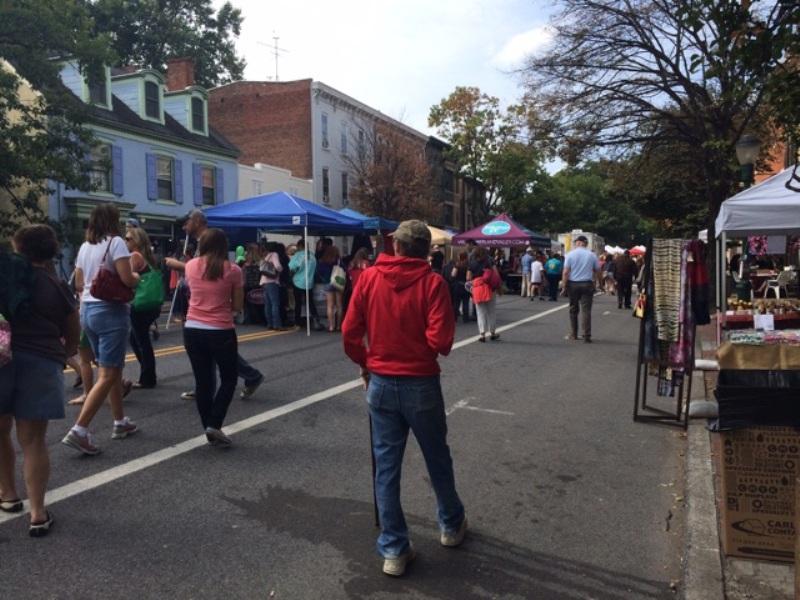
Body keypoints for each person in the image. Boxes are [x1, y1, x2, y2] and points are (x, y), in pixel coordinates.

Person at [342, 220, 466, 577]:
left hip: (381, 381)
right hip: (420, 382)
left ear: (396, 246)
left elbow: (350, 334)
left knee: (386, 466)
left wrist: (367, 364)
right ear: (426, 250)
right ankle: (451, 523)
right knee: (436, 456)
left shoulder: (367, 279)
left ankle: (394, 548)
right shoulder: (432, 283)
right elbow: (441, 342)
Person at [1, 225, 80, 536]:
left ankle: (7, 494)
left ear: (18, 247)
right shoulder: (56, 285)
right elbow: (73, 332)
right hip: (42, 361)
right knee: (33, 440)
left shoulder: (4, 278)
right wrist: (66, 352)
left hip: (1, 361)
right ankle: (37, 512)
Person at [62, 203, 140, 455]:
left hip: (88, 311)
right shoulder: (115, 243)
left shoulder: (85, 247)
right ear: (112, 220)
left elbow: (80, 281)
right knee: (108, 373)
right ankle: (79, 430)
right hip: (111, 311)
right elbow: (127, 279)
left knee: (112, 369)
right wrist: (136, 277)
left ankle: (120, 422)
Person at [165, 210, 264, 400]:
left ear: (197, 221)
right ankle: (207, 386)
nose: (184, 227)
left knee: (215, 350)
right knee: (211, 351)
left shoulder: (210, 241)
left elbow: (215, 271)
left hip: (210, 310)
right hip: (200, 306)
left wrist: (178, 265)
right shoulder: (201, 243)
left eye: (187, 223)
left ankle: (245, 378)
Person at [182, 229, 243, 447]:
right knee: (229, 378)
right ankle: (214, 423)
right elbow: (237, 306)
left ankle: (208, 425)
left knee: (203, 382)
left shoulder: (190, 266)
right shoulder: (233, 270)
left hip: (192, 328)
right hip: (220, 329)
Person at [125, 227, 161, 388]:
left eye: (128, 239)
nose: (125, 241)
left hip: (140, 304)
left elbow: (128, 279)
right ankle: (148, 372)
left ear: (136, 241)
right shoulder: (149, 257)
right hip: (153, 303)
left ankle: (148, 378)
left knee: (141, 341)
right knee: (136, 339)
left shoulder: (135, 256)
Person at [561, 235, 600, 343]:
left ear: (577, 243)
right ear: (586, 243)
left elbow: (565, 272)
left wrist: (564, 286)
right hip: (587, 284)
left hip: (573, 284)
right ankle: (586, 335)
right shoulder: (592, 255)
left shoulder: (570, 254)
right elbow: (598, 270)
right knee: (586, 311)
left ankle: (574, 334)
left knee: (573, 310)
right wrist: (599, 284)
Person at [289, 238, 324, 331]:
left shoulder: (298, 255)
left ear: (300, 246)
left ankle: (297, 323)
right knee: (310, 303)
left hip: (298, 281)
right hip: (309, 282)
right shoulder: (312, 255)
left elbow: (292, 267)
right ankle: (316, 321)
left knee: (298, 303)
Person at [468, 247, 500, 342]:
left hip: (477, 289)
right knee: (491, 311)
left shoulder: (472, 264)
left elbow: (468, 277)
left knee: (480, 312)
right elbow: (496, 274)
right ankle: (492, 333)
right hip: (489, 288)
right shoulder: (489, 262)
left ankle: (482, 334)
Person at [318, 244, 343, 332]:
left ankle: (331, 326)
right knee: (339, 305)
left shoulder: (323, 261)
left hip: (328, 283)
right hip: (338, 282)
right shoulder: (338, 260)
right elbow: (344, 270)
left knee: (330, 306)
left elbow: (319, 271)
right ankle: (339, 326)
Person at [259, 242, 283, 330]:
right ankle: (277, 324)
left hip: (264, 281)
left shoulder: (267, 255)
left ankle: (269, 323)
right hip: (272, 281)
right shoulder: (274, 254)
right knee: (275, 303)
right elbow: (277, 266)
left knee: (267, 304)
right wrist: (281, 270)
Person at [450, 252, 470, 322]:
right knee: (466, 302)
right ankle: (465, 318)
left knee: (456, 302)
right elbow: (468, 278)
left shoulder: (457, 265)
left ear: (460, 257)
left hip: (457, 286)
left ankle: (455, 317)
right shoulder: (468, 266)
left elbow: (453, 275)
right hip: (465, 286)